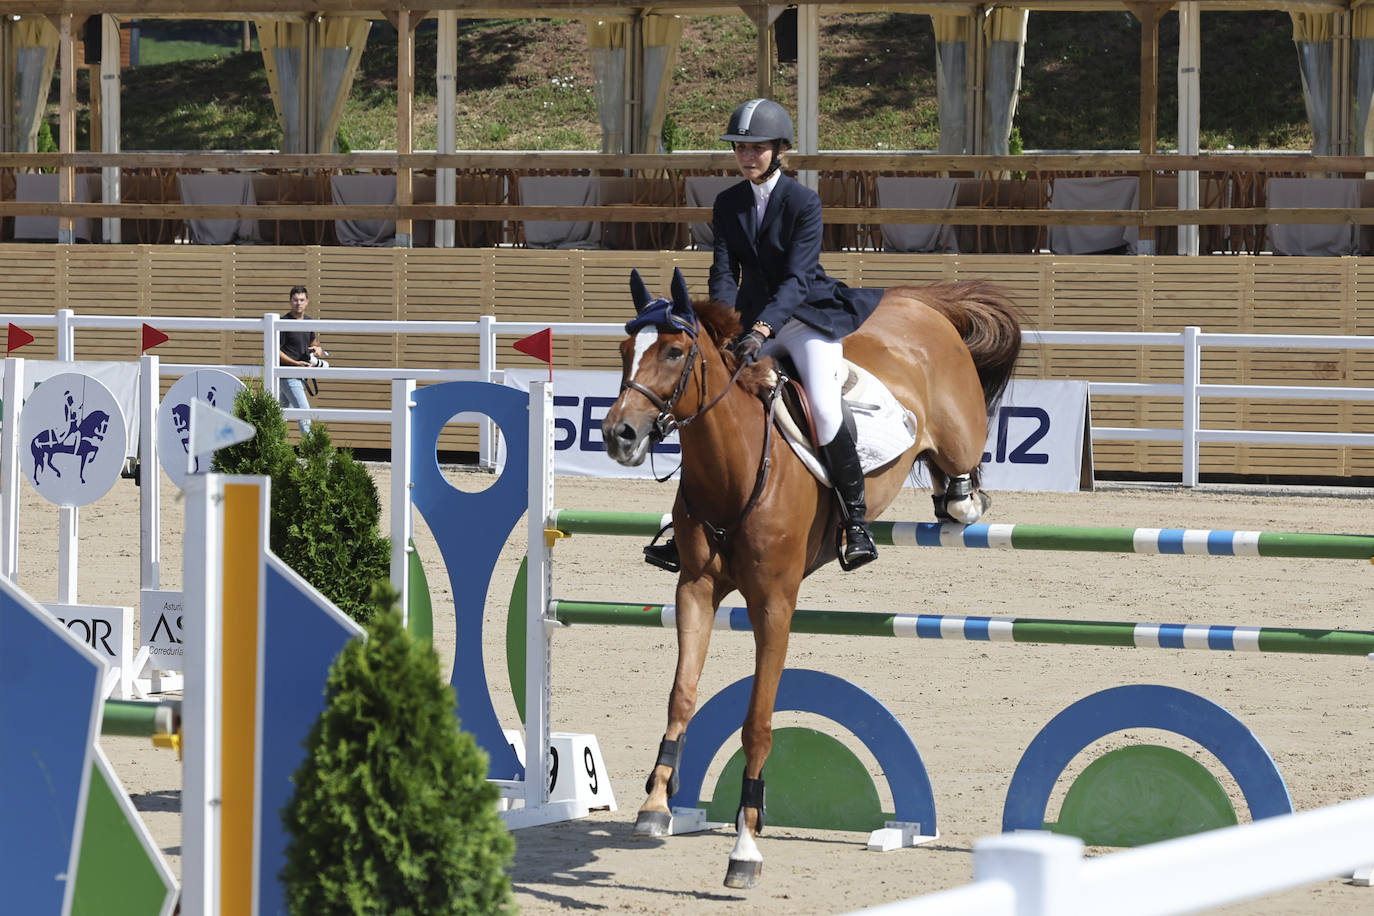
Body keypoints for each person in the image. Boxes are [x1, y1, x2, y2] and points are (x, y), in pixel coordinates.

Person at [644, 98, 883, 573]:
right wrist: (728, 326)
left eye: (757, 148)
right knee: (711, 403)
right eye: (741, 148)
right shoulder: (728, 202)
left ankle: (855, 523)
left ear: (780, 150)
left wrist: (760, 330)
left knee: (822, 405)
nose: (748, 156)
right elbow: (722, 272)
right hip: (751, 320)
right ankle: (687, 522)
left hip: (805, 319)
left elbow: (796, 280)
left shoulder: (804, 202)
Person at [278, 285, 325, 436]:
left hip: (300, 375)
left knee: (279, 415)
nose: (298, 303)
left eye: (301, 300)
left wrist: (317, 349)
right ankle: (313, 452)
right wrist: (295, 363)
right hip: (288, 375)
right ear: (290, 302)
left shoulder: (309, 321)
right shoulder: (283, 322)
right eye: (295, 300)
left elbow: (313, 343)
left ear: (307, 302)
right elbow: (275, 351)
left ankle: (267, 445)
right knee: (304, 412)